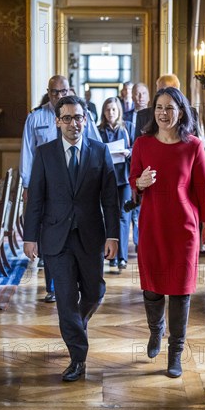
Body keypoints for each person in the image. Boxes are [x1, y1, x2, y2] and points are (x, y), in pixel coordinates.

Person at [23, 95, 120, 382]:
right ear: (57, 121)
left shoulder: (99, 152)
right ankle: (78, 358)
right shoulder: (45, 153)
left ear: (85, 119)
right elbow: (36, 200)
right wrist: (30, 237)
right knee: (65, 299)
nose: (73, 123)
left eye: (78, 117)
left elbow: (110, 200)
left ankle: (79, 321)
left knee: (95, 291)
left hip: (91, 236)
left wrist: (113, 235)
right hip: (56, 239)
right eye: (66, 118)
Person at [129, 87, 205, 378]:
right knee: (152, 287)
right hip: (152, 226)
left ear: (181, 112)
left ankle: (175, 352)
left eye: (170, 108)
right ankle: (156, 331)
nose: (163, 114)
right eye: (159, 108)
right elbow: (133, 182)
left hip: (184, 229)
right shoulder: (142, 144)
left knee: (181, 292)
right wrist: (139, 182)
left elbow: (202, 188)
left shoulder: (193, 146)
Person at [20, 76, 101, 303]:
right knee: (51, 235)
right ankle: (54, 287)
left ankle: (73, 283)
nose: (58, 96)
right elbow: (27, 152)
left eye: (62, 91)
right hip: (46, 185)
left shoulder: (82, 115)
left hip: (77, 183)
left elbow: (95, 144)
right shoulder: (36, 118)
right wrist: (27, 185)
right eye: (54, 92)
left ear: (69, 90)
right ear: (48, 92)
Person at [98, 97, 133, 270]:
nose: (110, 113)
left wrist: (129, 152)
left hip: (124, 178)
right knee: (107, 216)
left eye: (113, 109)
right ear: (103, 112)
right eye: (107, 110)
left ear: (118, 111)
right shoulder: (99, 130)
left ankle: (122, 257)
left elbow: (137, 148)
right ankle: (110, 255)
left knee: (123, 216)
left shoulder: (127, 128)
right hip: (106, 178)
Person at [124, 82, 150, 251]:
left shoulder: (154, 116)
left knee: (143, 210)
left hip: (146, 166)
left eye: (143, 93)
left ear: (148, 96)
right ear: (131, 96)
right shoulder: (124, 116)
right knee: (130, 208)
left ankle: (142, 244)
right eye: (136, 93)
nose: (139, 97)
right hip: (126, 166)